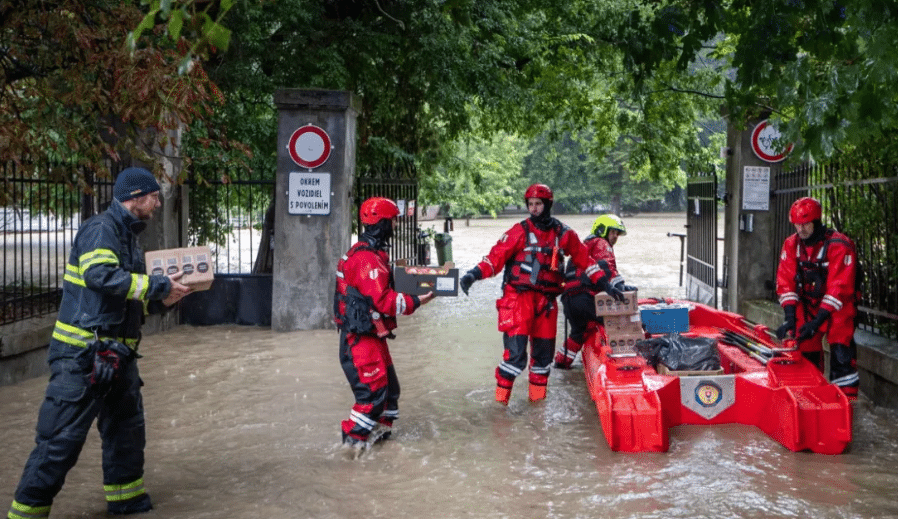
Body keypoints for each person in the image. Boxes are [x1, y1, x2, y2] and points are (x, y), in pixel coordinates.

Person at [7, 167, 192, 519]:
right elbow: (101, 276)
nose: (156, 203)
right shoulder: (102, 229)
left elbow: (123, 297)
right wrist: (157, 287)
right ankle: (26, 513)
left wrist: (160, 301)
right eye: (153, 196)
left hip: (117, 355)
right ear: (135, 196)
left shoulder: (127, 236)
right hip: (82, 357)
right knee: (59, 442)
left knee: (127, 433)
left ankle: (127, 503)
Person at [458, 184, 623, 405]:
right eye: (531, 204)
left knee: (542, 363)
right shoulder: (519, 231)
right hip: (518, 300)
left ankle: (536, 411)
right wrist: (472, 275)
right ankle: (500, 408)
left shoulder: (564, 234)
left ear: (548, 205)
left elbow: (587, 262)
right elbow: (495, 259)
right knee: (514, 360)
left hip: (546, 304)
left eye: (538, 204)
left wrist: (607, 285)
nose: (534, 209)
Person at [334, 197, 434, 448]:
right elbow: (384, 302)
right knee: (372, 398)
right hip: (360, 342)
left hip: (371, 337)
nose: (395, 227)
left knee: (390, 393)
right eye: (392, 222)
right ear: (382, 223)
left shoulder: (371, 254)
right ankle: (350, 455)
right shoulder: (367, 259)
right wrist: (419, 300)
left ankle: (380, 451)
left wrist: (415, 281)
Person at [775, 196, 860, 398]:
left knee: (841, 350)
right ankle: (811, 394)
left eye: (805, 224)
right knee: (802, 346)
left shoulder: (839, 245)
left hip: (838, 306)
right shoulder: (791, 244)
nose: (801, 229)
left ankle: (846, 403)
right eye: (797, 224)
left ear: (816, 221)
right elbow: (785, 281)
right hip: (808, 303)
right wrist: (789, 318)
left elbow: (840, 287)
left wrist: (819, 320)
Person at [555, 214, 637, 369]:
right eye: (613, 232)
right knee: (617, 322)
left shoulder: (584, 245)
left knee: (579, 333)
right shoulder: (601, 243)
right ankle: (624, 362)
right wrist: (621, 289)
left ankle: (561, 363)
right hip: (585, 297)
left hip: (569, 301)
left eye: (617, 234)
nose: (615, 237)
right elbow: (608, 267)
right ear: (602, 230)